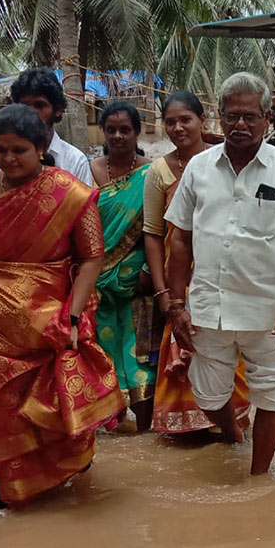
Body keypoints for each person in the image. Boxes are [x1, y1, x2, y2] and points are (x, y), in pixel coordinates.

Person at [0, 104, 124, 508]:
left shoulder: (73, 194)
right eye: (0, 149)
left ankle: (64, 499)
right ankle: (4, 503)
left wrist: (75, 318)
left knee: (57, 416)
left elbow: (91, 258)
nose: (8, 159)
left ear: (42, 147)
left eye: (19, 150)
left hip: (51, 328)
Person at [164, 72, 275, 475]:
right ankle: (232, 436)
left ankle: (259, 479)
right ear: (218, 116)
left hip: (269, 313)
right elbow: (179, 238)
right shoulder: (199, 169)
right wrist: (176, 303)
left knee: (271, 396)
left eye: (250, 117)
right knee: (206, 394)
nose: (240, 125)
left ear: (267, 118)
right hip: (209, 308)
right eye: (232, 116)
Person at [143, 90, 251, 434]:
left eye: (185, 119)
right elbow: (153, 233)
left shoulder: (225, 163)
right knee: (188, 349)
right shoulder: (158, 171)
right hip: (180, 282)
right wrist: (164, 292)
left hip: (224, 278)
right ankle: (189, 428)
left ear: (202, 121)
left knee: (232, 351)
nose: (177, 128)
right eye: (170, 122)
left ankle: (232, 427)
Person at [88, 100, 155, 431]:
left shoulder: (152, 173)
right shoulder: (89, 171)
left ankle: (145, 430)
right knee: (103, 353)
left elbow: (159, 230)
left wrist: (149, 273)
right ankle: (111, 427)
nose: (117, 136)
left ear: (137, 132)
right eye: (111, 129)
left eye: (124, 129)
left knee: (141, 354)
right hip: (97, 282)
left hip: (139, 282)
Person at [0, 66, 91, 183]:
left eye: (40, 106)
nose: (31, 113)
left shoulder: (75, 160)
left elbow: (83, 201)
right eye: (25, 105)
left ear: (58, 109)